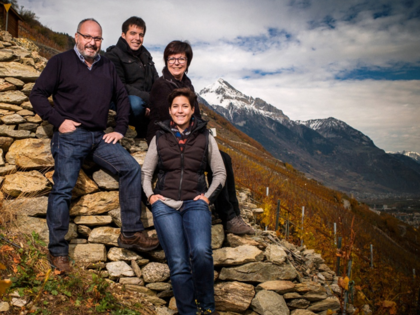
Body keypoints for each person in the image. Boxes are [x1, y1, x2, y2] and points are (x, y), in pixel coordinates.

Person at [29, 18, 159, 273]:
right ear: (77, 37)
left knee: (131, 169)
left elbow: (122, 98)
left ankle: (131, 233)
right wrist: (58, 120)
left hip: (99, 137)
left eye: (97, 38)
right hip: (71, 135)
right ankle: (58, 251)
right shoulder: (60, 62)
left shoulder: (107, 66)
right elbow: (37, 95)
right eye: (87, 37)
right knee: (63, 188)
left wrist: (120, 129)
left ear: (101, 41)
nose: (92, 42)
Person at [147, 40, 254, 236]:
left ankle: (233, 214)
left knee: (224, 160)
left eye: (182, 58)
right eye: (172, 58)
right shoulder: (161, 86)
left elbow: (194, 119)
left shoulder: (186, 83)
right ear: (166, 61)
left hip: (187, 138)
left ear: (188, 61)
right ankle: (229, 216)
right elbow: (168, 121)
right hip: (167, 141)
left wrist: (202, 136)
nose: (177, 62)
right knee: (220, 161)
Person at [142, 87, 224, 315]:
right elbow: (146, 173)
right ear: (169, 110)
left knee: (200, 252)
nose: (180, 111)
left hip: (195, 202)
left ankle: (207, 308)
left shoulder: (205, 136)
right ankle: (188, 312)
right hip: (165, 205)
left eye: (185, 106)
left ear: (192, 109)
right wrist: (151, 197)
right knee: (178, 262)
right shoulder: (159, 136)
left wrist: (207, 198)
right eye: (175, 106)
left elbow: (220, 173)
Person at [105, 16, 158, 137]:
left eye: (141, 35)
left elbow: (157, 81)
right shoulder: (113, 55)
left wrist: (157, 100)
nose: (137, 38)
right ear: (123, 35)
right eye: (133, 33)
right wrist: (149, 100)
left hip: (147, 102)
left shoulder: (146, 55)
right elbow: (120, 86)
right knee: (136, 104)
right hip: (123, 101)